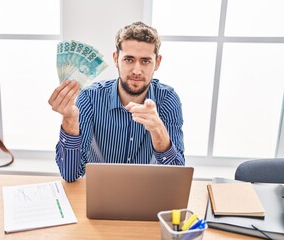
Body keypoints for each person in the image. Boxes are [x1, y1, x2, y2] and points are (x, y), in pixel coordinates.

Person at [48, 21, 185, 182]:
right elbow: (70, 174)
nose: (136, 70)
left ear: (158, 62)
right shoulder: (90, 98)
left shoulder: (168, 100)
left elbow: (177, 179)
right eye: (129, 59)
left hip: (147, 193)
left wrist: (158, 130)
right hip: (100, 194)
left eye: (145, 61)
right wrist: (69, 120)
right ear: (116, 59)